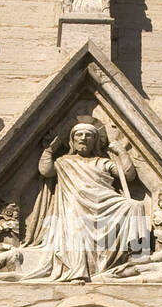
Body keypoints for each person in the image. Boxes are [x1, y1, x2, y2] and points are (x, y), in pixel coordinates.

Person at [19, 118, 150, 282]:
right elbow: (46, 170)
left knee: (135, 206)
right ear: (72, 141)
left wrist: (121, 152)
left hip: (106, 203)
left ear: (95, 141)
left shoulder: (103, 162)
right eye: (78, 135)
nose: (83, 138)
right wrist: (50, 149)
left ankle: (137, 255)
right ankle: (78, 271)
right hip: (75, 206)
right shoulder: (64, 162)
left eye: (89, 135)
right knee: (76, 223)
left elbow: (128, 175)